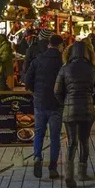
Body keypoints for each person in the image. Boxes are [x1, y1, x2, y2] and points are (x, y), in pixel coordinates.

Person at [55, 40, 95, 188]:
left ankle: (69, 175)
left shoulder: (65, 68)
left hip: (70, 108)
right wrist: (91, 101)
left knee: (71, 142)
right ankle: (82, 172)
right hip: (87, 109)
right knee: (84, 141)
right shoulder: (93, 69)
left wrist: (65, 103)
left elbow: (57, 91)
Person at [24, 34, 64, 180]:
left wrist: (37, 92)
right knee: (55, 137)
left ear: (48, 45)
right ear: (60, 46)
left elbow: (27, 81)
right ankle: (53, 167)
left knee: (39, 133)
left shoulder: (38, 60)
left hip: (40, 103)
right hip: (56, 104)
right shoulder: (62, 62)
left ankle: (37, 157)